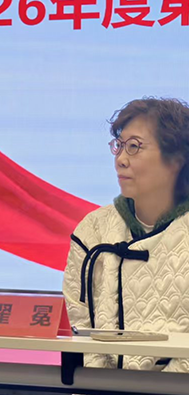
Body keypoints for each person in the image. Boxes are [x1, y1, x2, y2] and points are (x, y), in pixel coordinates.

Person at [63, 98, 189, 371]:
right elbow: (80, 328)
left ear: (177, 160)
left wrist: (157, 387)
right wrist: (101, 386)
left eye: (134, 147)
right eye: (118, 146)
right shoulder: (93, 229)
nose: (120, 160)